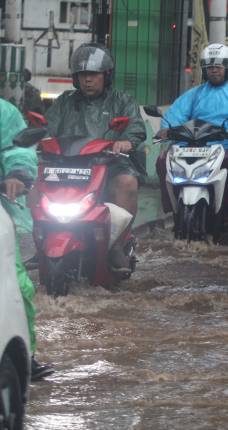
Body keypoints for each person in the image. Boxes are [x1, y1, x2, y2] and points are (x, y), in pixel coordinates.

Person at [36, 42, 147, 273]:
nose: (88, 80)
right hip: (69, 167)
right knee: (34, 179)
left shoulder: (122, 101)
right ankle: (41, 241)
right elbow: (48, 127)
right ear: (76, 78)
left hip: (110, 166)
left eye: (94, 75)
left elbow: (135, 128)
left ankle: (117, 245)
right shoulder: (65, 101)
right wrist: (40, 138)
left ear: (106, 76)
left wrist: (125, 141)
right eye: (83, 75)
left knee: (127, 183)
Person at [155, 44, 228, 236]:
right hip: (190, 145)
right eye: (209, 66)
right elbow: (176, 114)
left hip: (223, 147)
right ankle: (172, 208)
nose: (214, 69)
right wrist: (166, 129)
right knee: (163, 159)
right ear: (204, 69)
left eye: (219, 66)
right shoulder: (193, 94)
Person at [0, 96, 55, 380]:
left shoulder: (3, 112)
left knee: (18, 287)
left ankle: (24, 356)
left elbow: (19, 151)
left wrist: (17, 174)